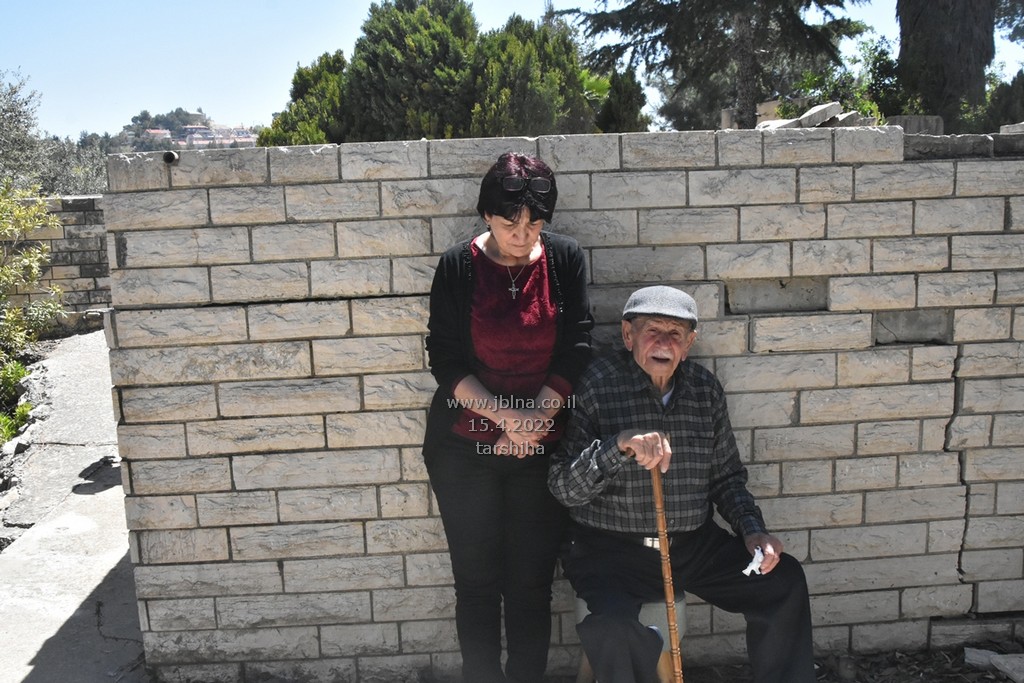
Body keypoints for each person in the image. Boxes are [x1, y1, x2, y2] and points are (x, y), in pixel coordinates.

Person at [548, 285, 815, 683]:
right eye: (653, 330)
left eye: (675, 334)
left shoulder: (704, 391)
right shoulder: (598, 384)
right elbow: (562, 487)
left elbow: (727, 477)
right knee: (613, 628)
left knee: (783, 580)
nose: (664, 343)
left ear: (689, 344)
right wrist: (618, 446)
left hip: (691, 547)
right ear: (628, 335)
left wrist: (752, 531)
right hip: (609, 552)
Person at [423, 152, 593, 683]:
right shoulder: (458, 266)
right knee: (476, 584)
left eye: (534, 224)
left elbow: (578, 346)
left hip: (541, 448)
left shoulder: (565, 260)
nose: (522, 235)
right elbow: (444, 359)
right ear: (486, 216)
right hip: (463, 448)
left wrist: (533, 422)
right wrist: (506, 420)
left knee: (530, 585)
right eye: (509, 222)